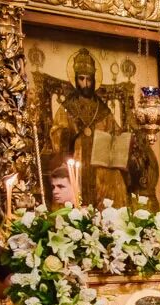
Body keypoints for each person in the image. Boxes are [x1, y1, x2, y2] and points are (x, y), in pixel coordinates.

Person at [49, 49, 131, 207]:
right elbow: (56, 134)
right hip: (76, 160)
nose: (85, 84)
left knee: (116, 181)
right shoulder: (67, 107)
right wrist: (70, 133)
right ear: (75, 79)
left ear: (94, 80)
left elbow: (116, 132)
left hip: (100, 167)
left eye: (88, 79)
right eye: (81, 79)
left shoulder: (102, 109)